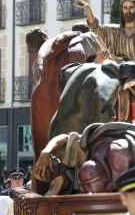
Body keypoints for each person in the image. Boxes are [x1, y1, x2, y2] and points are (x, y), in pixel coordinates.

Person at [27, 27, 111, 163]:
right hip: (78, 104)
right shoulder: (70, 44)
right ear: (45, 36)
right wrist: (101, 63)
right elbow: (97, 41)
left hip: (54, 112)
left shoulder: (38, 64)